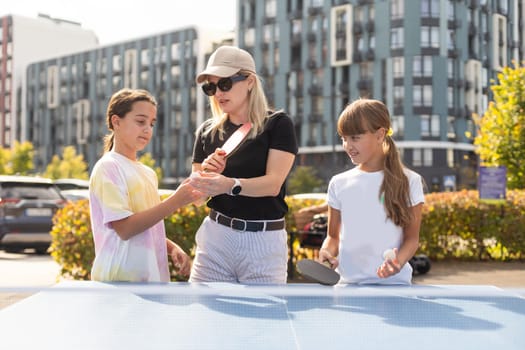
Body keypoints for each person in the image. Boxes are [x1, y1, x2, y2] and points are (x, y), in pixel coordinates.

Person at [188, 45, 298, 284]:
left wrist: (228, 184)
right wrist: (206, 175)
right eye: (211, 86)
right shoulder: (206, 132)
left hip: (263, 241)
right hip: (215, 238)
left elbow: (273, 184)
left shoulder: (277, 124)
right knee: (203, 317)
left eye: (225, 83)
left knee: (265, 321)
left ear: (249, 81)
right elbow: (196, 198)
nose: (218, 92)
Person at [89, 88, 202, 282]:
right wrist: (176, 201)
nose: (148, 129)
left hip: (151, 280)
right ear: (116, 121)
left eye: (151, 123)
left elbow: (146, 226)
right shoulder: (108, 167)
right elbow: (125, 229)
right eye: (140, 121)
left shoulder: (148, 173)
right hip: (119, 283)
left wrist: (171, 247)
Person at [318, 99, 425, 285]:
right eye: (344, 138)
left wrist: (397, 263)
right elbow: (333, 236)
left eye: (355, 138)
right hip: (348, 287)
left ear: (380, 134)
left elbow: (412, 239)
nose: (348, 145)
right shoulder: (338, 183)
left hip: (395, 286)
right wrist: (327, 251)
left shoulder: (410, 181)